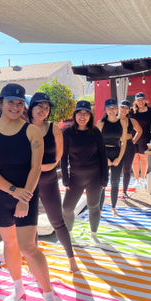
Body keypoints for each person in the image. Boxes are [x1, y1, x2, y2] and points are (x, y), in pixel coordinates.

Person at [0, 83, 60, 301]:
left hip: (27, 194)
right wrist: (12, 190)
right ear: (1, 103)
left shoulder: (31, 131)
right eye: (10, 102)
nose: (15, 107)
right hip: (3, 195)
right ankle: (18, 288)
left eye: (19, 102)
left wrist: (24, 196)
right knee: (10, 245)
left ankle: (48, 295)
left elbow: (36, 167)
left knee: (28, 247)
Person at [28, 92, 78, 272]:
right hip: (27, 183)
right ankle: (33, 262)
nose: (43, 110)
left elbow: (59, 156)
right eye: (39, 106)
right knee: (29, 224)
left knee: (57, 221)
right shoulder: (22, 127)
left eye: (46, 108)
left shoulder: (54, 128)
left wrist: (45, 167)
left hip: (48, 179)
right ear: (31, 107)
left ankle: (71, 259)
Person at [61, 100, 108, 244]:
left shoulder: (95, 132)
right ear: (75, 115)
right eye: (80, 113)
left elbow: (102, 155)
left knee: (93, 206)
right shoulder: (68, 132)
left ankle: (93, 234)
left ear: (90, 116)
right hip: (75, 177)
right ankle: (69, 235)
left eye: (86, 113)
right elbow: (64, 157)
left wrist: (105, 178)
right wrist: (65, 178)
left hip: (95, 176)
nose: (83, 116)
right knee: (67, 208)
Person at [97, 98, 142, 214]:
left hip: (117, 153)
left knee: (115, 182)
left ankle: (113, 208)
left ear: (117, 109)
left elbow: (124, 142)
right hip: (103, 154)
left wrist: (119, 158)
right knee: (103, 182)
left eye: (114, 108)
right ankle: (100, 209)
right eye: (109, 108)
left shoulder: (122, 122)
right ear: (105, 110)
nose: (112, 111)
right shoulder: (100, 123)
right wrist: (105, 158)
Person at [130, 92, 151, 188]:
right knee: (134, 159)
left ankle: (142, 179)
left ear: (145, 100)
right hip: (133, 138)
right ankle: (136, 180)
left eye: (142, 99)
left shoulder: (150, 111)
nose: (140, 101)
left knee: (143, 158)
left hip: (145, 137)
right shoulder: (131, 111)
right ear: (136, 101)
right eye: (138, 100)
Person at [119, 100, 142, 198]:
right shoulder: (112, 120)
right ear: (119, 108)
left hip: (129, 146)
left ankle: (124, 192)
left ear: (129, 110)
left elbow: (140, 131)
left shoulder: (132, 121)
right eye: (122, 107)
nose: (124, 110)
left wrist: (133, 141)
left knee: (126, 169)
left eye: (126, 108)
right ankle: (113, 190)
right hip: (116, 145)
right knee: (114, 169)